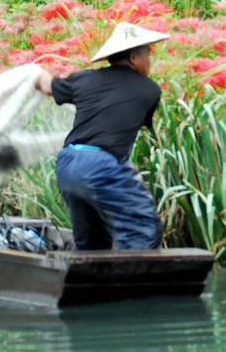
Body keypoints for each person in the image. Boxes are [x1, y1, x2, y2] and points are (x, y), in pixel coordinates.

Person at [35, 22, 170, 250]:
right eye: (148, 54)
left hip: (67, 164)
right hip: (100, 166)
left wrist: (36, 74)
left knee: (92, 243)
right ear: (134, 58)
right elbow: (124, 128)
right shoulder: (149, 89)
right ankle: (136, 284)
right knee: (143, 230)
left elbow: (47, 86)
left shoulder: (83, 79)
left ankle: (86, 283)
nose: (150, 60)